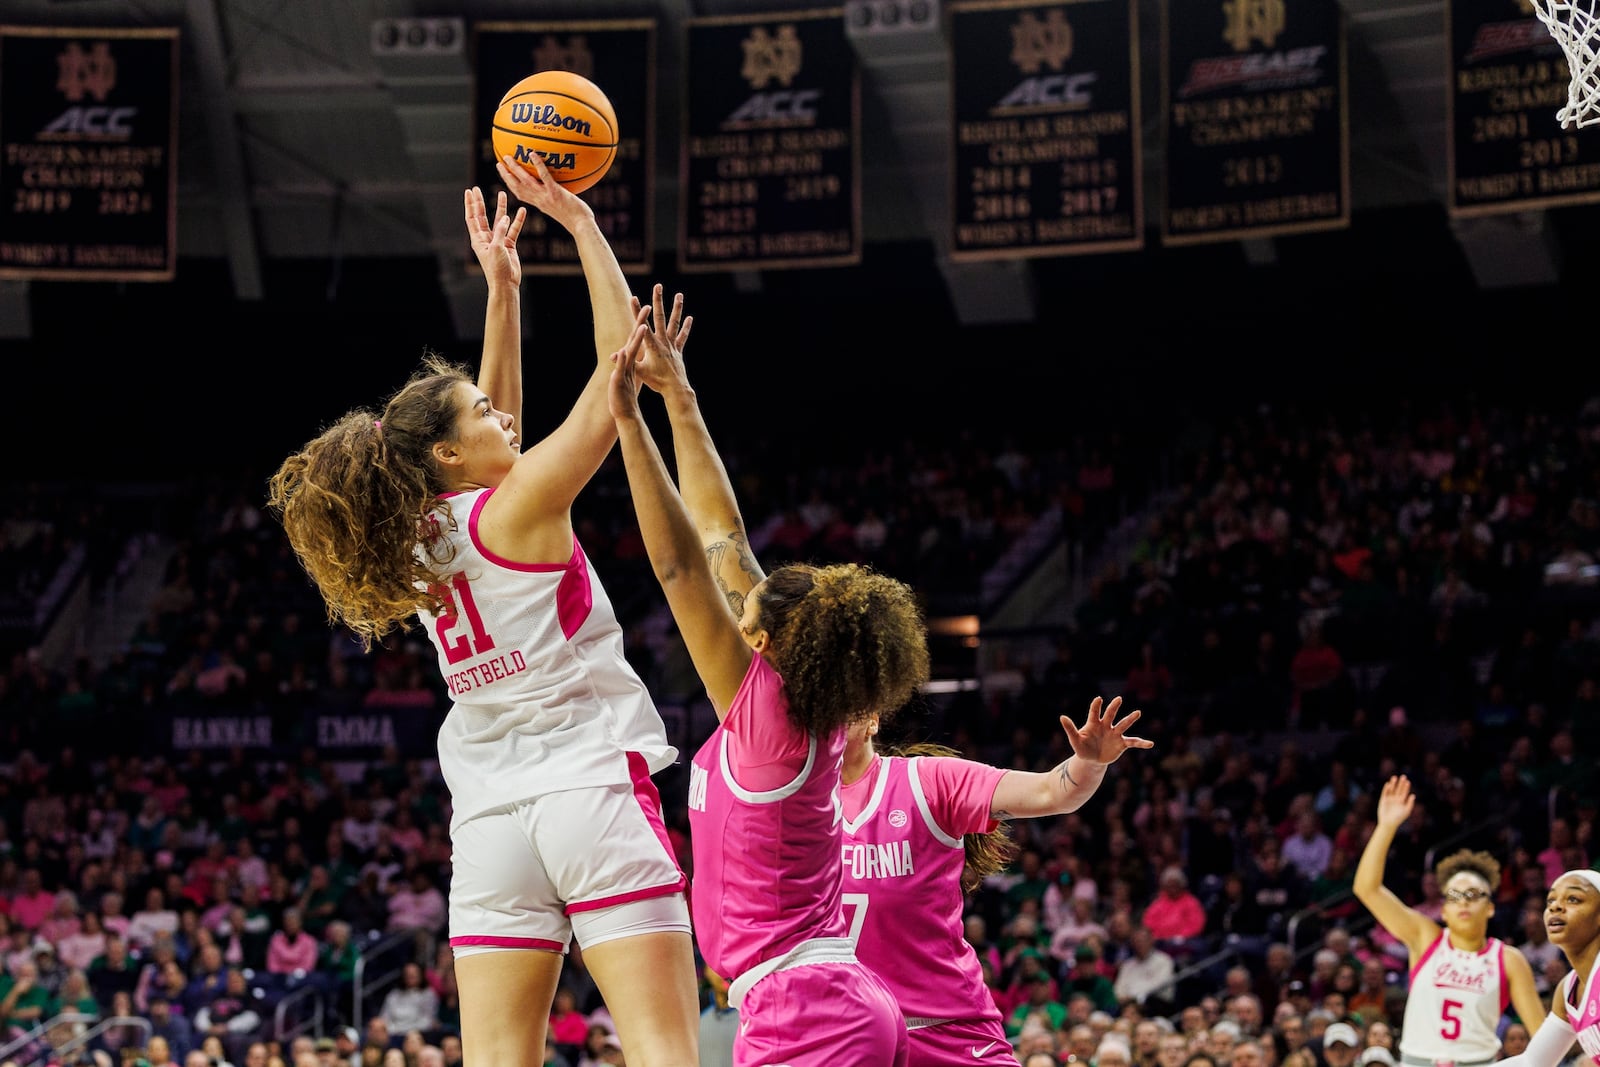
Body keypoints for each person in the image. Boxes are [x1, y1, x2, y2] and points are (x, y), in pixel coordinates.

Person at [266, 159, 699, 1067]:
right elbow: (616, 370)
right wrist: (581, 224)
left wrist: (502, 291)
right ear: (452, 458)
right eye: (482, 416)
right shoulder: (519, 508)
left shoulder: (417, 540)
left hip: (491, 817)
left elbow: (498, 423)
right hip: (590, 788)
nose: (505, 418)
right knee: (664, 1049)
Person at [606, 287, 910, 1065]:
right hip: (819, 998)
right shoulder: (802, 692)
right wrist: (680, 396)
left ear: (766, 637)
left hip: (807, 1007)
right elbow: (722, 532)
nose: (741, 595)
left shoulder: (770, 714)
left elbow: (681, 565)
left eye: (750, 609)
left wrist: (629, 426)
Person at [837, 693, 1151, 1064]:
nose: (828, 718)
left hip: (946, 1025)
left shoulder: (928, 781)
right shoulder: (789, 807)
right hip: (848, 1033)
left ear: (873, 719)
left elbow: (1050, 791)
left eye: (840, 704)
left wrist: (1089, 763)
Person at [1353, 776, 1544, 1066]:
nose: (1464, 902)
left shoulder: (1508, 959)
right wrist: (1387, 826)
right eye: (1454, 896)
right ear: (1443, 911)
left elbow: (1542, 1039)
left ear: (1491, 907)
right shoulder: (1425, 937)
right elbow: (1366, 889)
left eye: (1473, 894)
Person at [1492, 869, 1600, 1067]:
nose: (1556, 907)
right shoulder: (1567, 990)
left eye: (1574, 899)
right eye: (1550, 901)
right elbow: (1532, 1062)